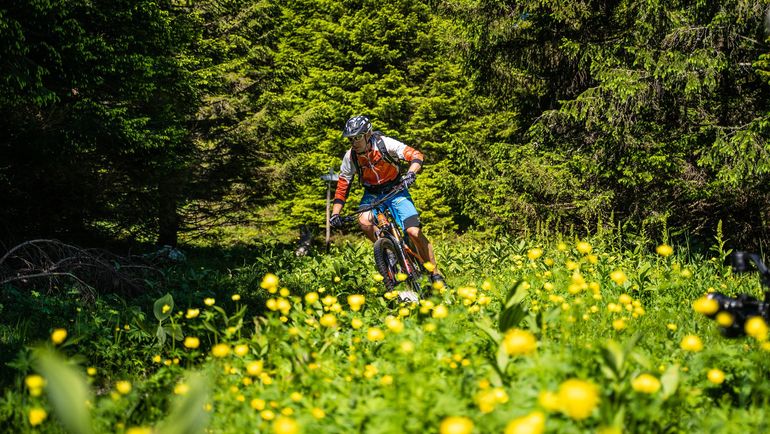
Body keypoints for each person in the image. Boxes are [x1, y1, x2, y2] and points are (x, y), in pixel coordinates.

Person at [329, 115, 445, 287]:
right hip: (372, 193)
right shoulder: (350, 157)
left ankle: (435, 274)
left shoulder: (384, 144)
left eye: (358, 137)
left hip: (396, 189)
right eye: (351, 139)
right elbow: (343, 185)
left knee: (413, 232)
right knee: (363, 221)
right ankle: (388, 250)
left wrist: (411, 173)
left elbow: (415, 155)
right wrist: (335, 213)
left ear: (368, 134)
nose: (354, 142)